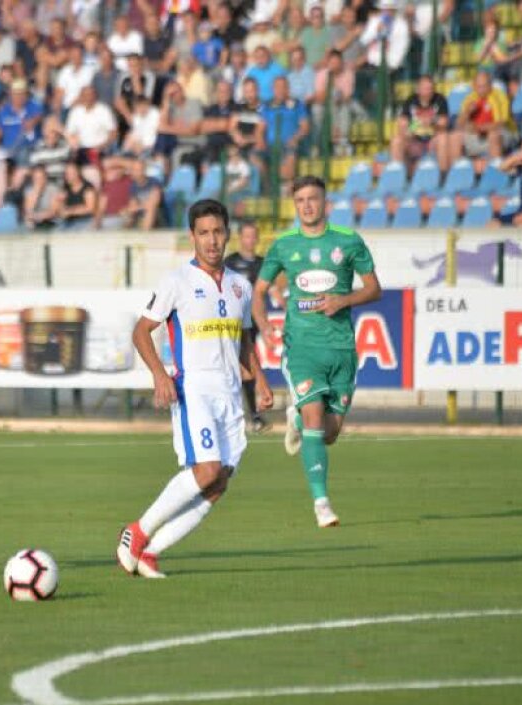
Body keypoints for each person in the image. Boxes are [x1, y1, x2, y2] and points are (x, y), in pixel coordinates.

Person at [116, 199, 272, 579]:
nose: (212, 240)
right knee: (206, 470)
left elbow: (245, 340)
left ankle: (152, 553)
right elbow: (141, 332)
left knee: (219, 484)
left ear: (227, 234)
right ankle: (137, 531)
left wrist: (262, 382)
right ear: (192, 237)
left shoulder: (240, 286)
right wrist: (160, 375)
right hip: (195, 389)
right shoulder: (176, 282)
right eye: (203, 233)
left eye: (218, 232)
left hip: (232, 394)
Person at [252, 177, 382, 528]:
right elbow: (259, 290)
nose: (307, 205)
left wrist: (344, 299)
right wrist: (263, 323)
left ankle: (295, 419)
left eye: (313, 199)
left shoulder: (348, 241)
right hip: (302, 348)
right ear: (295, 205)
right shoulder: (284, 246)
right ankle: (321, 503)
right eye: (300, 200)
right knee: (314, 420)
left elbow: (374, 289)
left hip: (341, 349)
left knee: (329, 433)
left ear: (325, 202)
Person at [224, 219, 270, 433]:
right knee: (237, 367)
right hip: (230, 323)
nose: (250, 240)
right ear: (240, 238)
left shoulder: (263, 263)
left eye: (254, 236)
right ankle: (248, 414)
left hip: (251, 323)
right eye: (246, 235)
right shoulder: (229, 263)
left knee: (247, 366)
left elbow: (273, 290)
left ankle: (252, 414)